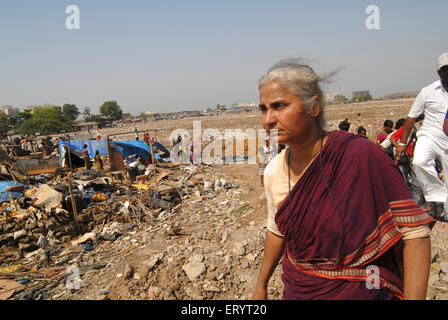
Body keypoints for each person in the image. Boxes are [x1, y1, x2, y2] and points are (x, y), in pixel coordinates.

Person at [252, 58, 434, 300]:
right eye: (263, 109)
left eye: (279, 106)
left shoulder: (360, 156)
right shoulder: (274, 169)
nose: (268, 120)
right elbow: (277, 229)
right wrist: (261, 285)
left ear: (313, 107)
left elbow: (414, 233)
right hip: (299, 289)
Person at [396, 52, 448, 219]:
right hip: (430, 136)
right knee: (419, 161)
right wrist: (402, 144)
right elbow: (411, 118)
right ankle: (439, 196)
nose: (447, 73)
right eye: (444, 70)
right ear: (439, 72)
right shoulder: (428, 91)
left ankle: (445, 212)